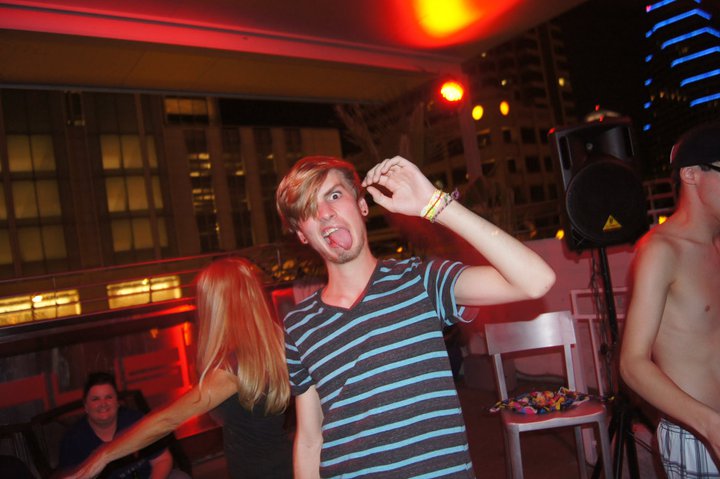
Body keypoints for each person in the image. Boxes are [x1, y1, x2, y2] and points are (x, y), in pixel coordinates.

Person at [276, 155, 556, 478]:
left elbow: (536, 281)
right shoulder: (299, 325)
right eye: (308, 209)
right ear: (302, 234)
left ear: (362, 206)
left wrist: (435, 204)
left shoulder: (421, 280)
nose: (325, 213)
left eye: (335, 195)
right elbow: (310, 439)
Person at [61, 257, 293, 479]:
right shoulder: (270, 345)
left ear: (217, 304)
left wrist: (102, 455)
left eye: (202, 299)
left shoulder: (232, 369)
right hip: (275, 466)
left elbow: (167, 420)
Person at [619, 123, 720, 478]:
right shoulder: (661, 250)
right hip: (699, 434)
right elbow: (632, 363)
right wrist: (710, 426)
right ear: (691, 175)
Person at [58, 372, 175, 479]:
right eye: (95, 399)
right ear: (86, 406)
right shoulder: (73, 440)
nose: (103, 404)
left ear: (117, 402)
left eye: (108, 397)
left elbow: (163, 460)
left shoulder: (135, 421)